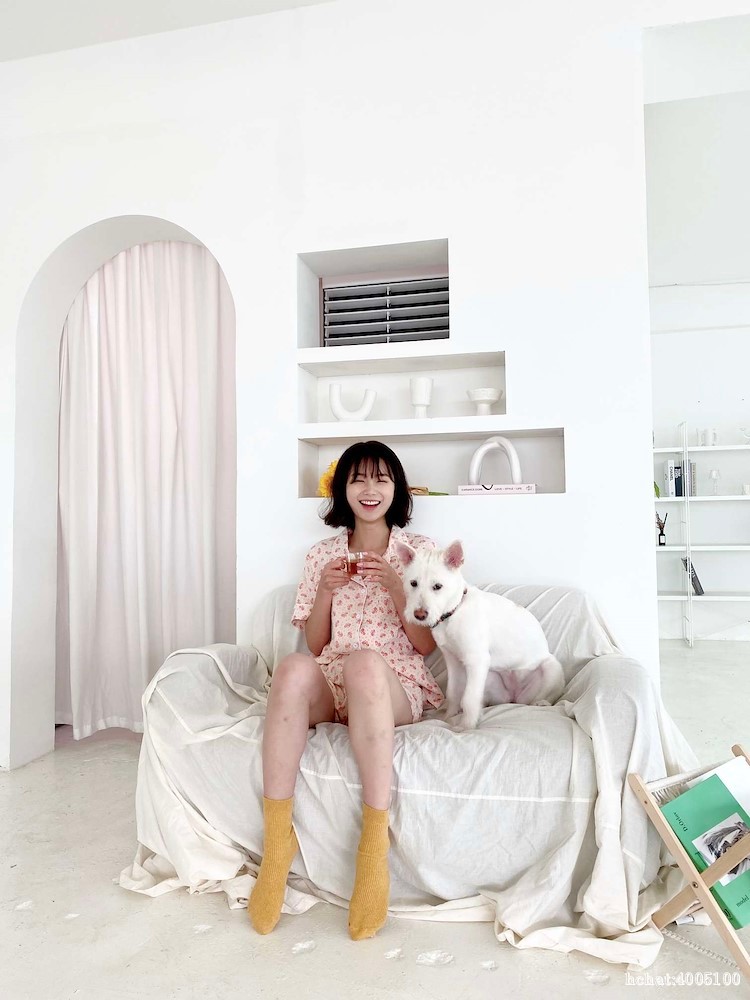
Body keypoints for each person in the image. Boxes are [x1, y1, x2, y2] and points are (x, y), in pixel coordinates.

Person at [247, 440, 444, 939]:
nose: (369, 489)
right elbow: (317, 645)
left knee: (363, 664)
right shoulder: (322, 556)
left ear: (396, 488)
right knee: (293, 668)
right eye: (358, 479)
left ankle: (373, 847)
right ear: (343, 490)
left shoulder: (418, 553)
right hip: (334, 681)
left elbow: (424, 646)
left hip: (391, 684)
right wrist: (326, 591)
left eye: (381, 478)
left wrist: (398, 586)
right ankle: (277, 844)